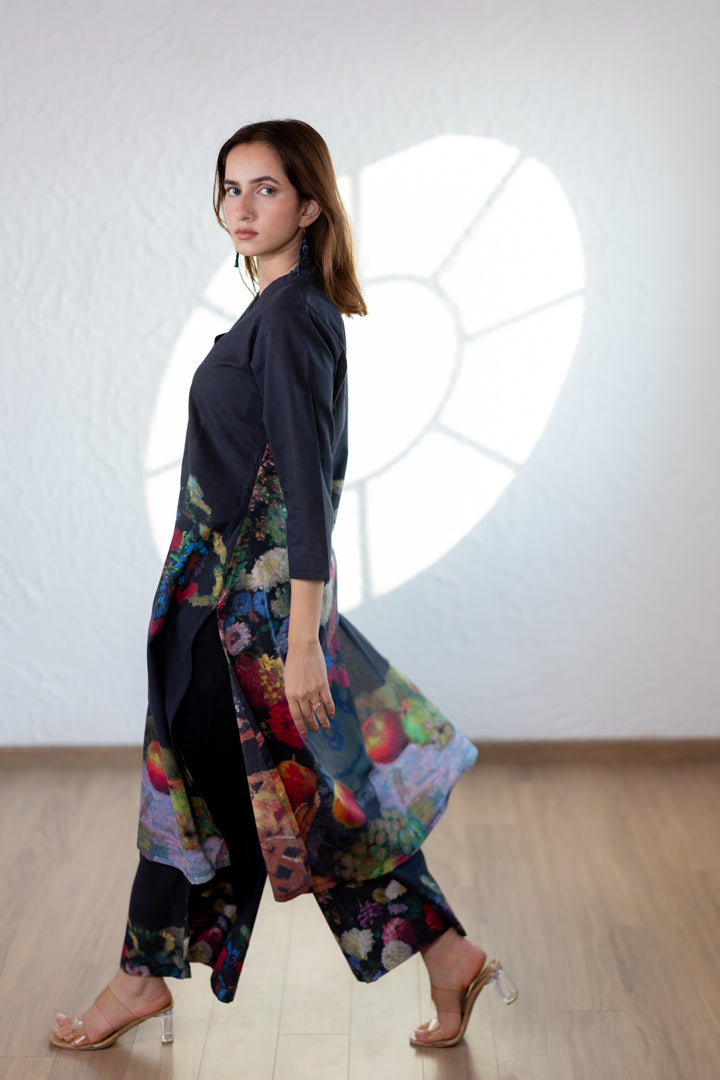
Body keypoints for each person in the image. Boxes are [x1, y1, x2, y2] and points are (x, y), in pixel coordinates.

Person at [50, 119, 517, 1054]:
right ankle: (450, 955)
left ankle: (140, 980)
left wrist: (301, 641)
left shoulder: (292, 317)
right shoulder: (279, 312)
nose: (242, 206)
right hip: (237, 613)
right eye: (231, 187)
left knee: (197, 789)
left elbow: (306, 487)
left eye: (266, 188)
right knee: (308, 799)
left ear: (309, 206)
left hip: (247, 625)